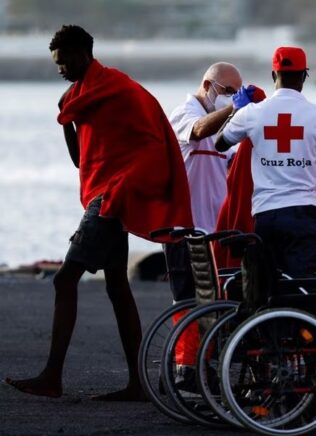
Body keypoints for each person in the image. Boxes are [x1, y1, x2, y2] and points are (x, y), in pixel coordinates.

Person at [4, 25, 192, 400]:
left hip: (109, 199)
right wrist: (65, 120)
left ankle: (52, 377)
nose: (59, 69)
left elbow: (154, 143)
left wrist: (125, 189)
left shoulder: (119, 89)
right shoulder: (79, 96)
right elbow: (81, 161)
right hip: (105, 195)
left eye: (64, 61)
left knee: (64, 280)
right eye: (56, 64)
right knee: (118, 286)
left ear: (83, 54)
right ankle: (138, 385)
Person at [215, 46, 316, 281]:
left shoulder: (251, 113)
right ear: (303, 77)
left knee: (269, 293)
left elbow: (220, 143)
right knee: (309, 292)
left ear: (273, 76)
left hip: (266, 217)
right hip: (305, 216)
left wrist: (235, 112)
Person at [165, 62, 243, 303]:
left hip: (216, 234)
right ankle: (184, 343)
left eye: (236, 94)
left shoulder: (224, 126)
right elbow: (197, 131)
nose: (231, 98)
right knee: (187, 305)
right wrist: (234, 108)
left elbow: (234, 167)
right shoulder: (184, 113)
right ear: (208, 85)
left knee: (217, 306)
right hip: (185, 234)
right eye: (229, 91)